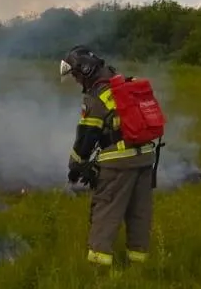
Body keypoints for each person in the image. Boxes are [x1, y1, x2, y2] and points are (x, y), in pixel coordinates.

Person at [60, 45, 159, 268]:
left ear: (85, 70)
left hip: (119, 165)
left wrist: (75, 166)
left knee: (105, 213)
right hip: (145, 157)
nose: (76, 81)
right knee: (138, 215)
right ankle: (138, 265)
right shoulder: (125, 85)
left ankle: (99, 270)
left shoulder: (98, 96)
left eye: (75, 75)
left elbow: (86, 138)